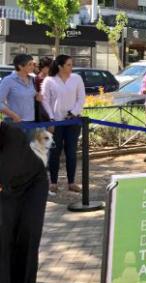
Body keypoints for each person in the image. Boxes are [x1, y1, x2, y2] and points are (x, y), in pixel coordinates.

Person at [0, 120, 49, 283]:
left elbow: (7, 172)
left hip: (32, 186)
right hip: (6, 188)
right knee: (2, 239)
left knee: (27, 234)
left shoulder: (11, 135)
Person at [41, 54, 85, 194]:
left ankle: (71, 182)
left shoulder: (77, 78)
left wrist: (74, 112)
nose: (71, 67)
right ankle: (53, 182)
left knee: (71, 153)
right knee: (55, 152)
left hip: (73, 121)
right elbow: (45, 100)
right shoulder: (49, 80)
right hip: (56, 122)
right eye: (68, 65)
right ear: (60, 66)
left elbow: (81, 97)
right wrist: (52, 118)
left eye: (72, 64)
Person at [0, 54, 41, 137]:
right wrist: (14, 116)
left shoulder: (32, 79)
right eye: (30, 64)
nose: (33, 66)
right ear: (20, 66)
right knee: (13, 149)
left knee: (28, 149)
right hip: (14, 123)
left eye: (33, 64)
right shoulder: (8, 80)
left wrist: (38, 96)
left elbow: (32, 96)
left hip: (31, 123)